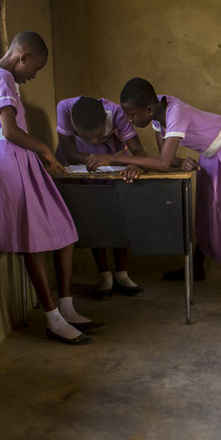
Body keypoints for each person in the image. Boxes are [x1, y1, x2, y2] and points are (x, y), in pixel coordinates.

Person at [89, 77, 221, 327]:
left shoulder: (175, 114)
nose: (128, 121)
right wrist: (169, 162)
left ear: (148, 110)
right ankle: (197, 268)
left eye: (131, 115)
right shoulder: (156, 113)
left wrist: (114, 159)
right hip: (212, 154)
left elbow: (161, 163)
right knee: (206, 213)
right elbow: (168, 162)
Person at [0, 31, 101, 345]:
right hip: (12, 163)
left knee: (64, 231)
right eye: (36, 67)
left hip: (23, 161)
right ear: (23, 57)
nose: (34, 75)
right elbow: (8, 130)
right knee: (33, 244)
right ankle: (53, 319)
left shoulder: (2, 78)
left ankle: (66, 306)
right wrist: (45, 150)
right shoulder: (3, 78)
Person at [55, 95, 146, 298]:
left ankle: (122, 272)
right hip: (78, 160)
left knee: (117, 210)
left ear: (105, 123)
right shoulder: (64, 108)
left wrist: (133, 163)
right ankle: (104, 273)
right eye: (88, 138)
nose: (94, 141)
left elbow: (138, 150)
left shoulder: (116, 113)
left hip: (112, 156)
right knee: (92, 211)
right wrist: (92, 158)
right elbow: (69, 152)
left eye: (97, 136)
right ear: (75, 126)